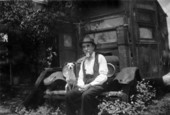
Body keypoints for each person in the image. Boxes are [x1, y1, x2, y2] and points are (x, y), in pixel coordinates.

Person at [65, 36, 108, 115]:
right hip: (85, 86)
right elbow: (81, 77)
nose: (86, 48)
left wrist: (89, 85)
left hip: (97, 85)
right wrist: (81, 86)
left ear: (93, 47)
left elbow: (103, 76)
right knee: (69, 95)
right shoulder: (83, 61)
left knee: (86, 95)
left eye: (88, 46)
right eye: (84, 47)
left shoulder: (100, 57)